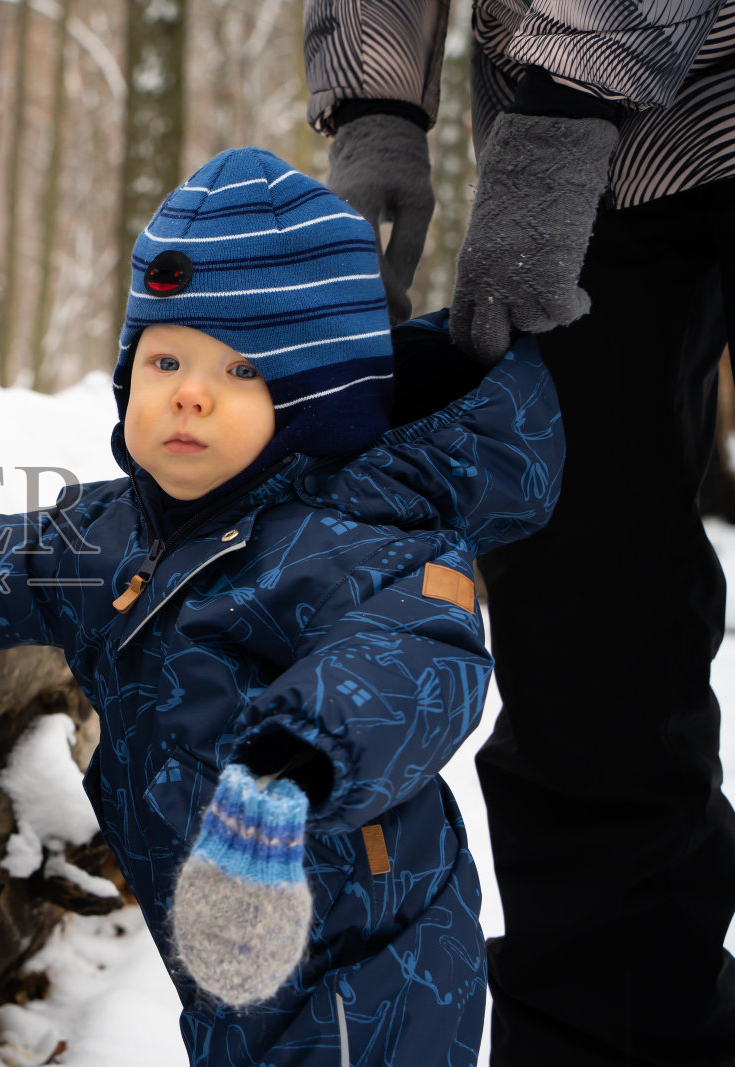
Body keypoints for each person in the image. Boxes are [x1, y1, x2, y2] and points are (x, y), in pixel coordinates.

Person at [0, 147, 563, 1063]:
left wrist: (291, 764)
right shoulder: (111, 535)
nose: (190, 394)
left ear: (319, 400)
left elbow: (414, 657)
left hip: (369, 979)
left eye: (242, 370)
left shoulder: (367, 534)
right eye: (165, 359)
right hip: (222, 962)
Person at [304, 3, 735, 1062]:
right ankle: (615, 1033)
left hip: (575, 119)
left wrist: (565, 104)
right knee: (585, 611)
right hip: (614, 171)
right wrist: (375, 97)